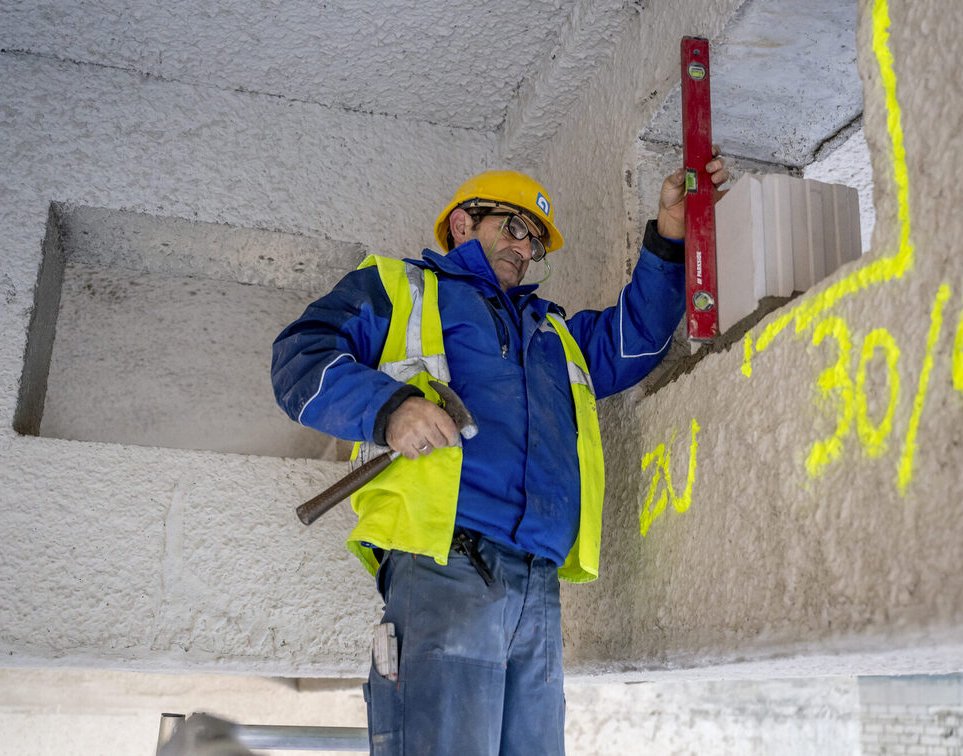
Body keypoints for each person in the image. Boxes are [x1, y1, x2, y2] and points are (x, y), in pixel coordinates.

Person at [271, 159, 728, 755]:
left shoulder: (553, 333)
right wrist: (390, 409)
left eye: (534, 241)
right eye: (512, 227)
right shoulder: (400, 286)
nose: (524, 247)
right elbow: (300, 357)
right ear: (462, 224)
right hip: (445, 559)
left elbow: (634, 337)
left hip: (538, 579)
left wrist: (670, 233)